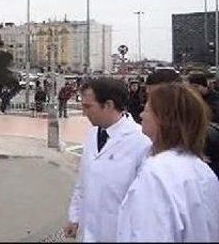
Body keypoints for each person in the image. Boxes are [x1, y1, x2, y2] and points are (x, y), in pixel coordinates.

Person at [116, 84, 219, 241]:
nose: (142, 114)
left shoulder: (157, 171)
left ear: (164, 119)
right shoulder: (202, 169)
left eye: (148, 110)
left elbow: (150, 234)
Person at [64, 78, 151, 242]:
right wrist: (74, 217)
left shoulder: (141, 142)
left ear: (108, 105)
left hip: (119, 234)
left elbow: (145, 202)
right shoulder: (92, 134)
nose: (84, 112)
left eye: (88, 106)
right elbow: (83, 182)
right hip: (87, 231)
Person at [186, 73, 219, 179]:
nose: (193, 90)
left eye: (196, 87)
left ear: (204, 86)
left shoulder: (215, 102)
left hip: (212, 147)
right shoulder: (192, 100)